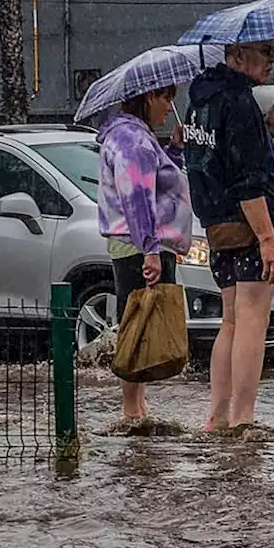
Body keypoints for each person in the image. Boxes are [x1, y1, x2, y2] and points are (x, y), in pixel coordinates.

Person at [183, 40, 274, 433]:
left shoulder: (201, 101)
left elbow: (217, 157)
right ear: (237, 56)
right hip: (248, 225)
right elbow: (247, 179)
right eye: (264, 52)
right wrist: (268, 239)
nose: (271, 60)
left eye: (272, 53)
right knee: (252, 321)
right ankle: (243, 418)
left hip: (217, 226)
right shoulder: (239, 101)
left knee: (230, 321)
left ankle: (218, 415)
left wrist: (268, 129)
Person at [96, 85, 193, 421]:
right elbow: (137, 198)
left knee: (138, 319)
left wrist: (175, 151)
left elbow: (157, 183)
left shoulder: (136, 137)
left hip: (139, 242)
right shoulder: (131, 140)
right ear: (148, 97)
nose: (170, 106)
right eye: (166, 98)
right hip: (139, 243)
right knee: (136, 321)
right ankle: (132, 410)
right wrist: (150, 250)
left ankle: (136, 407)